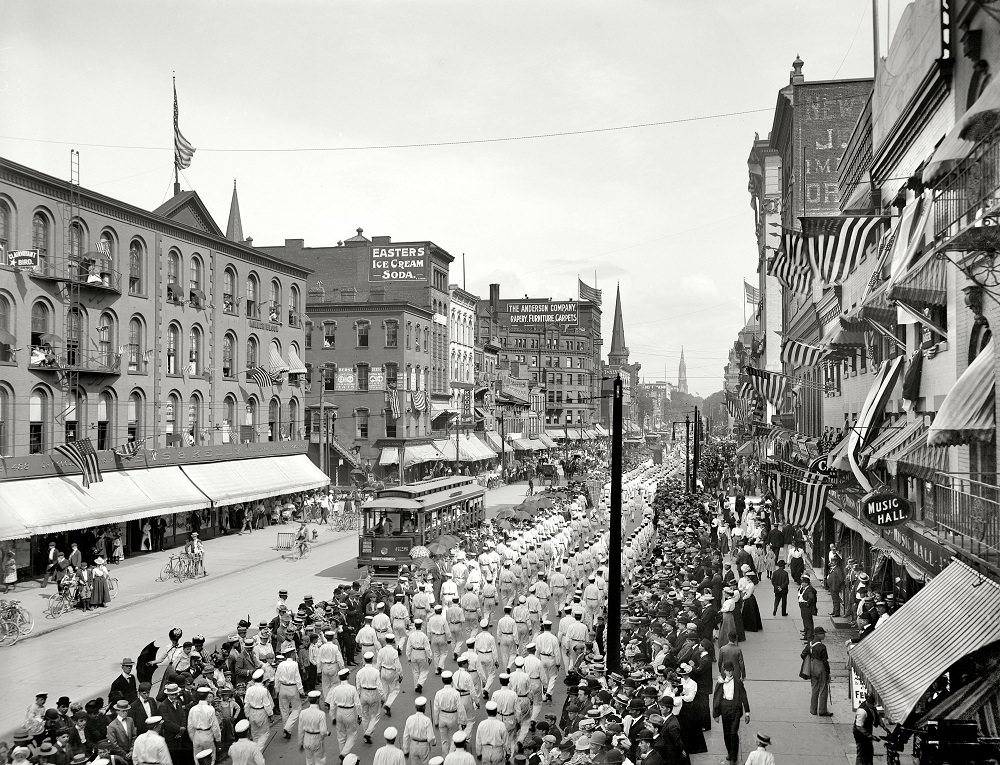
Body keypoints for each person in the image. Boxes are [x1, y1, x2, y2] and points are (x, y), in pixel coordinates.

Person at [712, 662, 750, 765]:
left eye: (731, 671)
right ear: (724, 671)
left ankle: (734, 757)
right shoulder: (720, 682)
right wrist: (716, 714)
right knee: (726, 733)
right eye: (727, 671)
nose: (729, 673)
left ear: (733, 671)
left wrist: (747, 712)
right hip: (725, 709)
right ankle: (730, 752)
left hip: (736, 709)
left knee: (733, 734)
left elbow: (744, 696)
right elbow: (716, 698)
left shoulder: (738, 682)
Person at [801, 627, 831, 717]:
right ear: (817, 635)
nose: (824, 635)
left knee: (814, 689)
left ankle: (813, 710)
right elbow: (825, 661)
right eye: (822, 634)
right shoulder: (821, 646)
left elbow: (803, 654)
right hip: (821, 669)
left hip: (812, 669)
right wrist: (828, 672)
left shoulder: (810, 644)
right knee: (823, 689)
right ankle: (822, 711)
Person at [297, 691, 328, 765]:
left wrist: (300, 742)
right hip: (317, 738)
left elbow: (300, 730)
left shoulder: (303, 712)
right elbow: (323, 731)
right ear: (318, 700)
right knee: (319, 760)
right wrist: (327, 733)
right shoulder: (321, 714)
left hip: (307, 738)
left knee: (309, 760)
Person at [853, 691, 884, 765]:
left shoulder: (872, 707)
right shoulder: (862, 711)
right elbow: (859, 727)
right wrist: (870, 736)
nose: (874, 706)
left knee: (869, 751)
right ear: (868, 703)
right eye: (872, 705)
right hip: (860, 734)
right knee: (862, 752)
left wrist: (882, 725)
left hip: (867, 732)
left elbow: (876, 715)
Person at [797, 576, 818, 642]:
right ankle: (806, 636)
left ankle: (810, 638)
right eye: (802, 582)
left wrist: (807, 604)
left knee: (808, 623)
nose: (802, 584)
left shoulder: (809, 590)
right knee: (805, 622)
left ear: (807, 583)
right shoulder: (805, 588)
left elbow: (811, 598)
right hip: (803, 607)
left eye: (803, 583)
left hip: (806, 608)